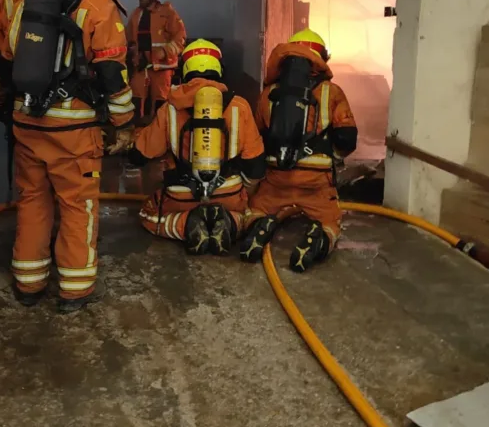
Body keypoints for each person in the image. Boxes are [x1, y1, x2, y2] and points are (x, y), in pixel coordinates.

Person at [0, 0, 134, 313]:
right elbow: (111, 73)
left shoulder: (22, 0)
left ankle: (29, 283)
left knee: (33, 202)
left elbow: (4, 62)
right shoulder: (98, 6)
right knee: (77, 206)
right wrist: (124, 123)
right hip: (74, 130)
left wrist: (8, 107)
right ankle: (74, 290)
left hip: (27, 123)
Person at [122, 39, 265, 254]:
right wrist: (243, 192)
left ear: (185, 69)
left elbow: (141, 153)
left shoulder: (170, 107)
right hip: (228, 192)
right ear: (218, 68)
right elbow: (255, 166)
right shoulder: (240, 106)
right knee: (252, 214)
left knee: (148, 215)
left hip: (181, 195)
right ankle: (229, 223)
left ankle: (188, 225)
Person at [239, 29, 358, 271]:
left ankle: (259, 226)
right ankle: (318, 239)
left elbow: (255, 138)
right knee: (330, 221)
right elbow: (347, 139)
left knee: (255, 209)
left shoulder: (268, 93)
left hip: (276, 179)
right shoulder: (331, 92)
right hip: (315, 181)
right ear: (321, 57)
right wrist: (333, 157)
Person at [126, 0, 186, 123]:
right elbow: (128, 38)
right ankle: (138, 135)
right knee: (136, 99)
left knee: (160, 102)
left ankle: (159, 134)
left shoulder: (168, 13)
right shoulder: (136, 14)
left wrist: (164, 52)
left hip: (161, 67)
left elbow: (180, 38)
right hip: (140, 65)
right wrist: (132, 52)